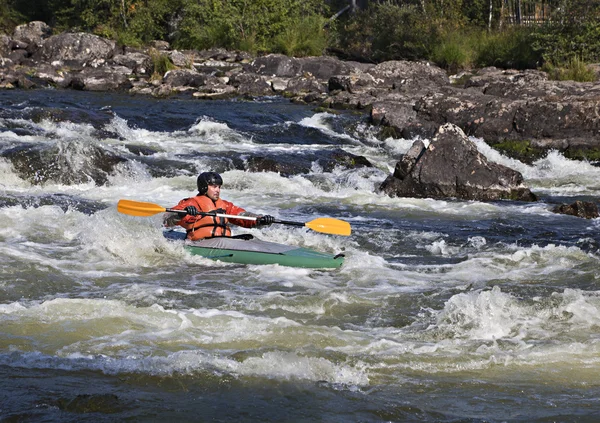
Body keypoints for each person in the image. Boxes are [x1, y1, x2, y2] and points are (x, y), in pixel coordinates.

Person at [164, 171, 275, 241]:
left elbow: (242, 216)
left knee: (250, 238)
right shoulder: (191, 203)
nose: (217, 190)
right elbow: (166, 220)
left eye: (219, 187)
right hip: (201, 243)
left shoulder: (225, 205)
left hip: (224, 241)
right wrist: (180, 214)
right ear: (204, 187)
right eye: (214, 186)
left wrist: (260, 220)